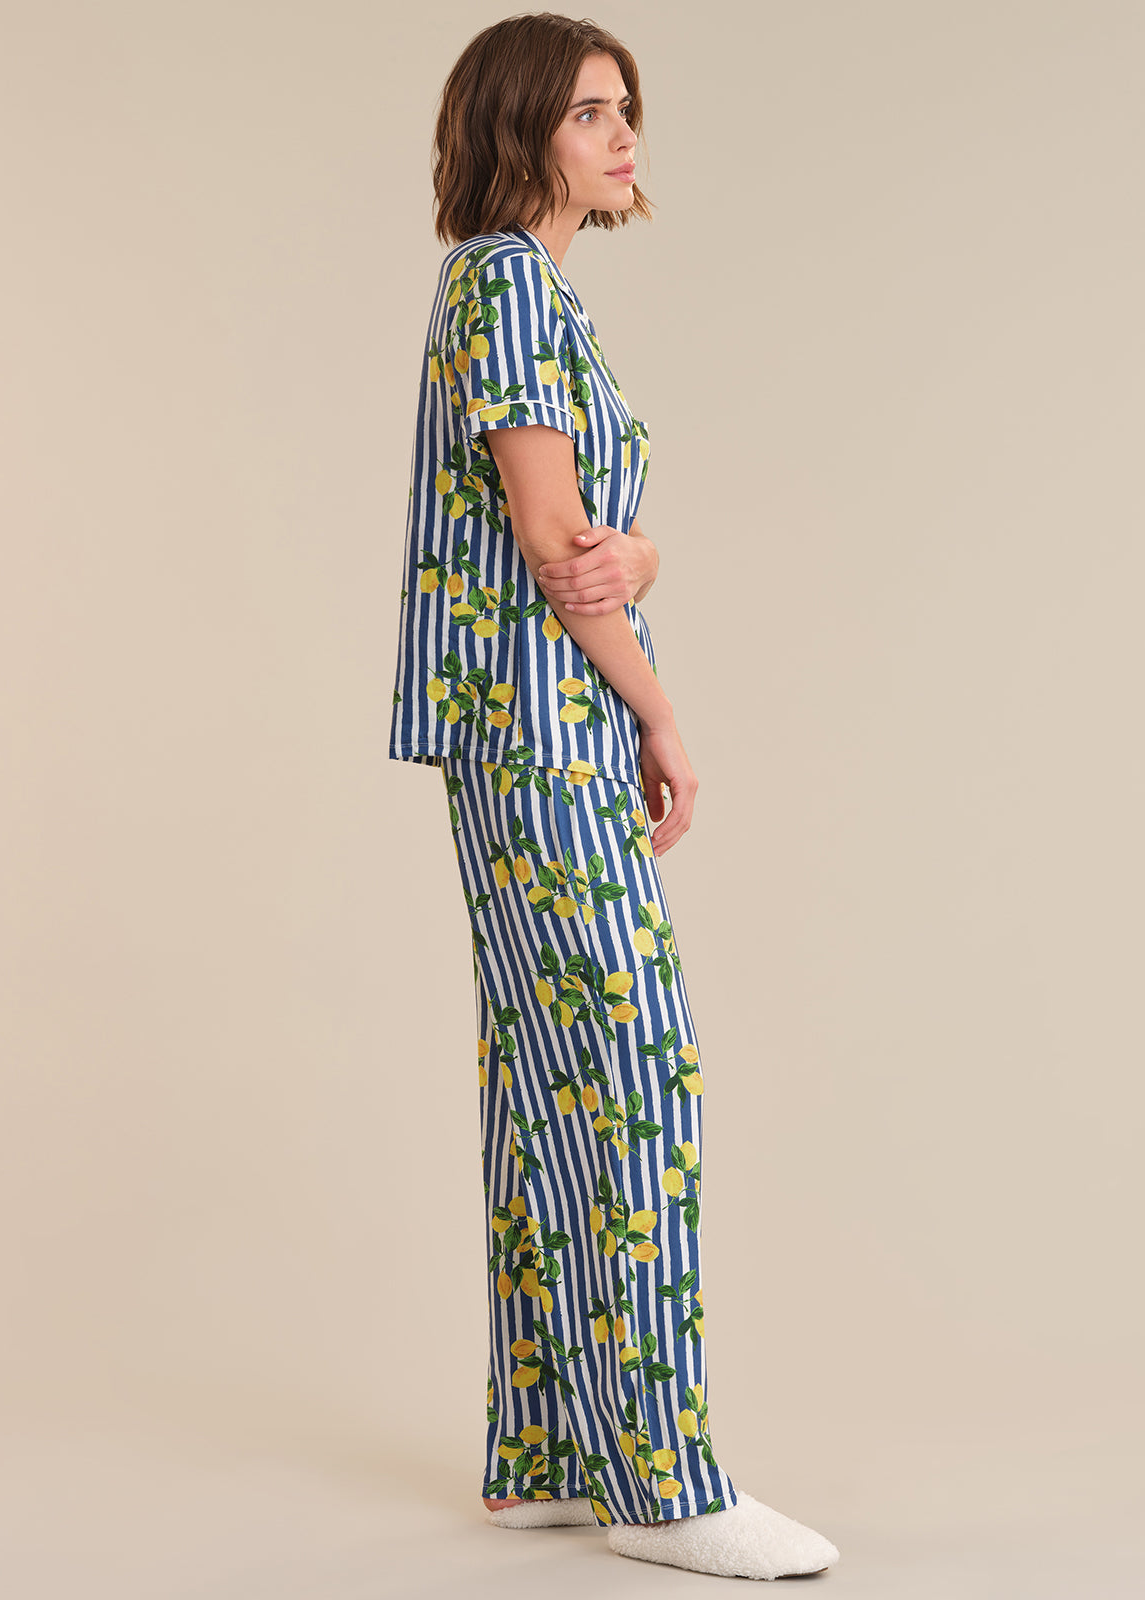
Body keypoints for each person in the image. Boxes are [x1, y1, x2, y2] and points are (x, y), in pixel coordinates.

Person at [388, 12, 841, 1581]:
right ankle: (661, 1478)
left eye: (627, 106)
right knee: (633, 1070)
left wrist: (639, 556)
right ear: (522, 128)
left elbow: (601, 544)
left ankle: (550, 1450)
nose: (625, 131)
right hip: (543, 728)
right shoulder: (507, 284)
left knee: (547, 1076)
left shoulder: (520, 291)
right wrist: (663, 710)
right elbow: (557, 546)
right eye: (592, 110)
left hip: (523, 725)